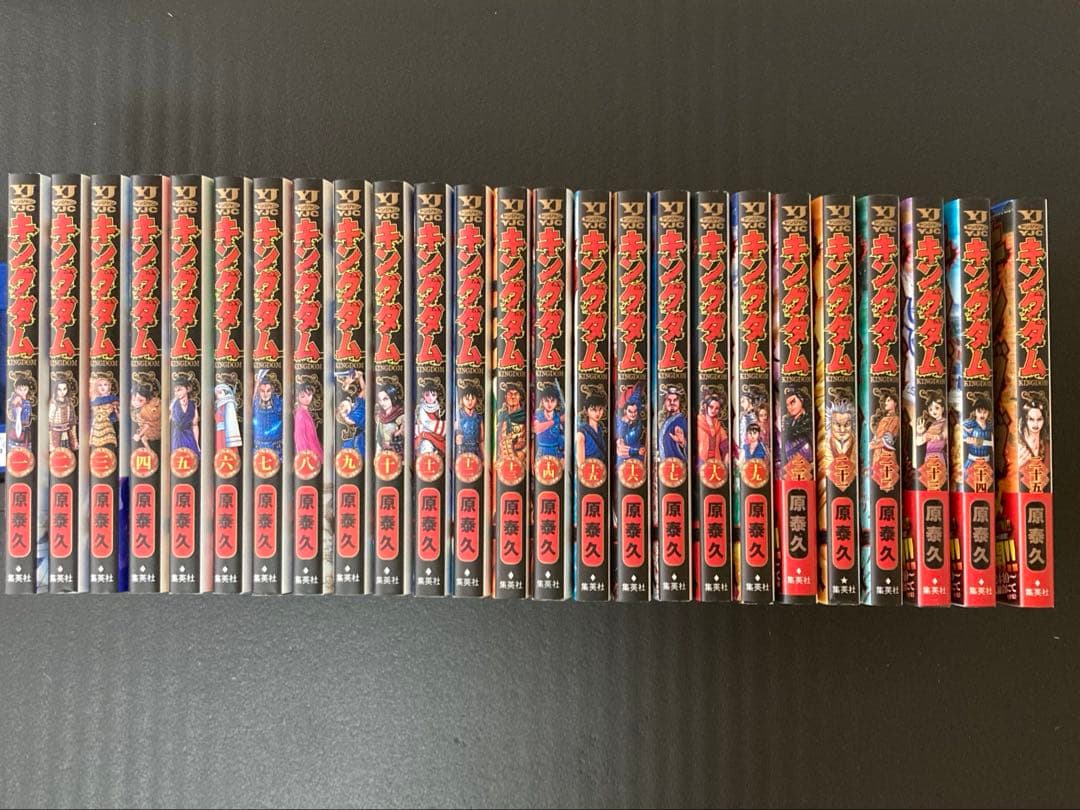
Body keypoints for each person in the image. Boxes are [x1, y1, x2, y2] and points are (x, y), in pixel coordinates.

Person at [1016, 392, 1049, 485]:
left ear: (1044, 420)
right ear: (1025, 420)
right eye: (1031, 419)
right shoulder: (1018, 445)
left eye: (1039, 419)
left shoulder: (1047, 446)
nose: (1035, 424)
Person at [252, 370, 283, 458]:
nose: (265, 394)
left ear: (272, 391)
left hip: (276, 449)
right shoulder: (254, 404)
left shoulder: (278, 403)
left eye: (268, 391)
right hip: (258, 448)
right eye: (262, 391)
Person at [869, 390, 900, 471]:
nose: (886, 403)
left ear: (895, 403)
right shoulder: (883, 419)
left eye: (888, 400)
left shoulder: (896, 419)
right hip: (877, 453)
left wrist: (871, 445)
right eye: (885, 401)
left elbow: (887, 438)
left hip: (887, 453)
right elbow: (876, 435)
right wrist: (873, 442)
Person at [496, 383, 526, 465]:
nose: (513, 397)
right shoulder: (502, 416)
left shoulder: (524, 416)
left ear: (520, 397)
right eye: (510, 394)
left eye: (516, 394)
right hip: (503, 458)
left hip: (519, 458)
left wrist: (523, 452)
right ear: (505, 397)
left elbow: (530, 440)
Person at [615, 383, 645, 464]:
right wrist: (637, 451)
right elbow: (621, 450)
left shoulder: (639, 421)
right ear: (625, 411)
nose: (633, 414)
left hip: (639, 459)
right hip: (624, 461)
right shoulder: (620, 424)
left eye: (635, 411)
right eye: (630, 411)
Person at [780, 387, 812, 463]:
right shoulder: (789, 421)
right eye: (787, 405)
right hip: (791, 463)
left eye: (793, 402)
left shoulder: (808, 419)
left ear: (802, 400)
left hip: (806, 461)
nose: (789, 407)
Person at [915, 392, 947, 468]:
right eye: (931, 409)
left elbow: (945, 434)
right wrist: (920, 432)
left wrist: (935, 437)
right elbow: (918, 442)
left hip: (938, 455)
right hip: (928, 455)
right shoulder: (932, 424)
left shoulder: (945, 422)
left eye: (937, 408)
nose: (933, 411)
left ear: (942, 408)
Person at [961, 395, 993, 471]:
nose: (982, 415)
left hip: (986, 463)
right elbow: (960, 429)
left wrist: (979, 441)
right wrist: (966, 436)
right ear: (975, 412)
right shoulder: (970, 424)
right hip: (972, 462)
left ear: (988, 413)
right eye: (979, 412)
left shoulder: (990, 426)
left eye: (985, 412)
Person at [696, 391, 728, 466]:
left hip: (716, 462)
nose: (713, 410)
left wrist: (726, 457)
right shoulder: (698, 424)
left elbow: (726, 446)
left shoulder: (719, 427)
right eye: (711, 407)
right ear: (705, 406)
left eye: (716, 408)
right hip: (701, 461)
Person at [532, 384, 564, 459]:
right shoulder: (538, 414)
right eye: (547, 401)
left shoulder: (558, 415)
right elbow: (536, 429)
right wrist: (557, 420)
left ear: (557, 402)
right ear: (542, 401)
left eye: (552, 401)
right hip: (542, 452)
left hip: (556, 452)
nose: (549, 404)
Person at [170, 374, 200, 454]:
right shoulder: (173, 405)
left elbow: (195, 425)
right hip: (177, 437)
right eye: (175, 391)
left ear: (188, 389)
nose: (177, 393)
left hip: (189, 436)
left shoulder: (193, 405)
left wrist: (197, 444)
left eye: (179, 390)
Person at [575, 393, 606, 469]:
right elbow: (580, 464)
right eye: (593, 410)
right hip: (588, 470)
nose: (597, 413)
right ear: (586, 411)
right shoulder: (582, 432)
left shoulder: (600, 429)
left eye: (600, 409)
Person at [415, 382, 446, 456]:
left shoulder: (440, 408)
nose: (430, 398)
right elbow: (423, 422)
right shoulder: (420, 408)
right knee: (426, 447)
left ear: (437, 395)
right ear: (423, 394)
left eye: (433, 395)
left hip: (438, 435)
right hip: (425, 434)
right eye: (427, 395)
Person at [89, 373, 119, 449]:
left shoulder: (113, 399)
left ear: (109, 386)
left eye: (105, 385)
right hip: (96, 430)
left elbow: (118, 415)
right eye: (100, 385)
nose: (102, 387)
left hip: (108, 428)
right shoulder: (94, 400)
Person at [293, 382, 323, 458]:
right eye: (303, 396)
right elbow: (300, 439)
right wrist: (306, 456)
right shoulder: (300, 414)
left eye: (309, 395)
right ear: (297, 397)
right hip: (308, 453)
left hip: (314, 450)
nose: (307, 399)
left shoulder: (306, 412)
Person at [658, 385, 687, 462]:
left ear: (680, 402)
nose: (672, 402)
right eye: (669, 400)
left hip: (676, 465)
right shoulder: (667, 420)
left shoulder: (681, 421)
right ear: (665, 402)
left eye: (675, 400)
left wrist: (683, 442)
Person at [375, 383, 405, 456]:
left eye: (385, 399)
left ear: (393, 397)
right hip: (384, 453)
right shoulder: (380, 417)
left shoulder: (401, 415)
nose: (382, 403)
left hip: (398, 453)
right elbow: (379, 439)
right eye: (380, 400)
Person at [48, 377, 78, 452]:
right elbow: (49, 423)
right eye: (59, 389)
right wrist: (50, 442)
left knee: (67, 452)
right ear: (55, 390)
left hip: (67, 432)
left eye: (64, 389)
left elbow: (72, 421)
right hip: (55, 433)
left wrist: (74, 439)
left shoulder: (69, 403)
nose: (62, 392)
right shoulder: (53, 404)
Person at [131, 383, 162, 453]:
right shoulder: (137, 409)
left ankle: (150, 452)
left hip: (154, 429)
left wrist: (139, 435)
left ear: (147, 400)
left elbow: (147, 425)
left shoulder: (146, 410)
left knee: (143, 438)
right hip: (146, 429)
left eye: (140, 400)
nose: (136, 402)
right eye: (134, 399)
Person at [455, 384, 482, 457]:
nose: (470, 402)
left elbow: (482, 440)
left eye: (472, 399)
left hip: (476, 451)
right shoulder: (458, 416)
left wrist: (484, 457)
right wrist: (456, 439)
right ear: (462, 399)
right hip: (461, 451)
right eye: (467, 399)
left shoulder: (479, 417)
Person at [214, 382, 242, 452]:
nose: (218, 396)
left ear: (226, 392)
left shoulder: (229, 403)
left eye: (220, 393)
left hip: (226, 432)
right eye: (217, 394)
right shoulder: (219, 404)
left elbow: (230, 420)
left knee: (228, 450)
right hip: (220, 431)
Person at [7, 377, 33, 451]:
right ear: (16, 389)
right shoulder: (17, 400)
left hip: (26, 430)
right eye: (20, 389)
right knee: (16, 449)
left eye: (25, 389)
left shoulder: (27, 401)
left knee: (26, 451)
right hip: (17, 428)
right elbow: (18, 416)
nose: (22, 392)